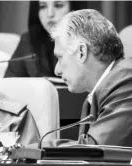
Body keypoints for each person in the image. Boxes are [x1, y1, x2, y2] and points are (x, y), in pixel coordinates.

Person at [51, 9, 132, 146]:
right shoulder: (97, 93)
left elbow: (96, 150)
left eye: (60, 57)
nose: (57, 70)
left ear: (81, 52)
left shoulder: (126, 81)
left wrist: (28, 150)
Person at [4, 0, 87, 77]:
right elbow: (8, 84)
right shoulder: (28, 41)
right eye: (43, 7)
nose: (50, 14)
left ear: (74, 8)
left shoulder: (90, 40)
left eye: (58, 5)